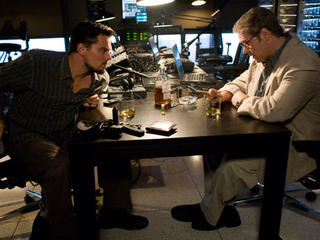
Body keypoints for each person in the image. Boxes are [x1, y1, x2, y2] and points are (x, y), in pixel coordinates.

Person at [171, 7, 320, 231]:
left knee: (233, 166)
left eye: (246, 43)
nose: (245, 50)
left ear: (265, 34)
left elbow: (275, 111)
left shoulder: (303, 63)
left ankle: (211, 214)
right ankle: (218, 206)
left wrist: (240, 100)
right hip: (265, 131)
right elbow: (241, 81)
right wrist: (225, 93)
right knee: (213, 147)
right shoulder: (263, 54)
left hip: (295, 145)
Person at [0, 21, 147, 240]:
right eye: (104, 50)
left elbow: (74, 100)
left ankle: (114, 211)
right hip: (26, 135)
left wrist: (82, 103)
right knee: (56, 166)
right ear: (81, 49)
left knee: (115, 146)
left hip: (64, 133)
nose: (109, 56)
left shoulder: (99, 80)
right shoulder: (36, 63)